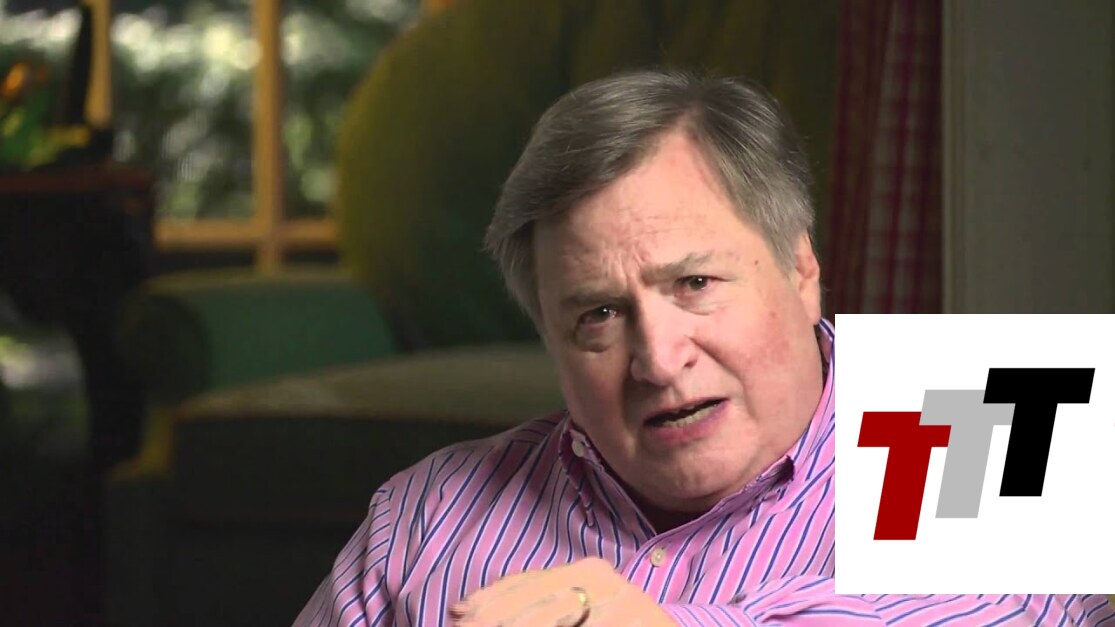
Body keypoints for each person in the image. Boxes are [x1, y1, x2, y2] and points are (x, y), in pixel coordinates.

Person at [296, 70, 1113, 626]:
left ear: (801, 268)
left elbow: (992, 612)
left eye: (694, 283)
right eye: (598, 314)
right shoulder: (426, 515)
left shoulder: (986, 404)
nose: (657, 358)